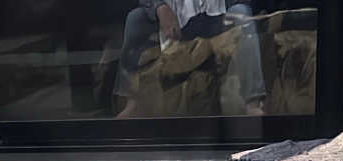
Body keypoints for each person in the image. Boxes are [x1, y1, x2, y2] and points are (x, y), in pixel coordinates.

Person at [114, 0, 267, 117]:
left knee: (242, 12)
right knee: (136, 18)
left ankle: (252, 103)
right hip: (173, 22)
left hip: (218, 17)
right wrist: (160, 7)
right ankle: (132, 102)